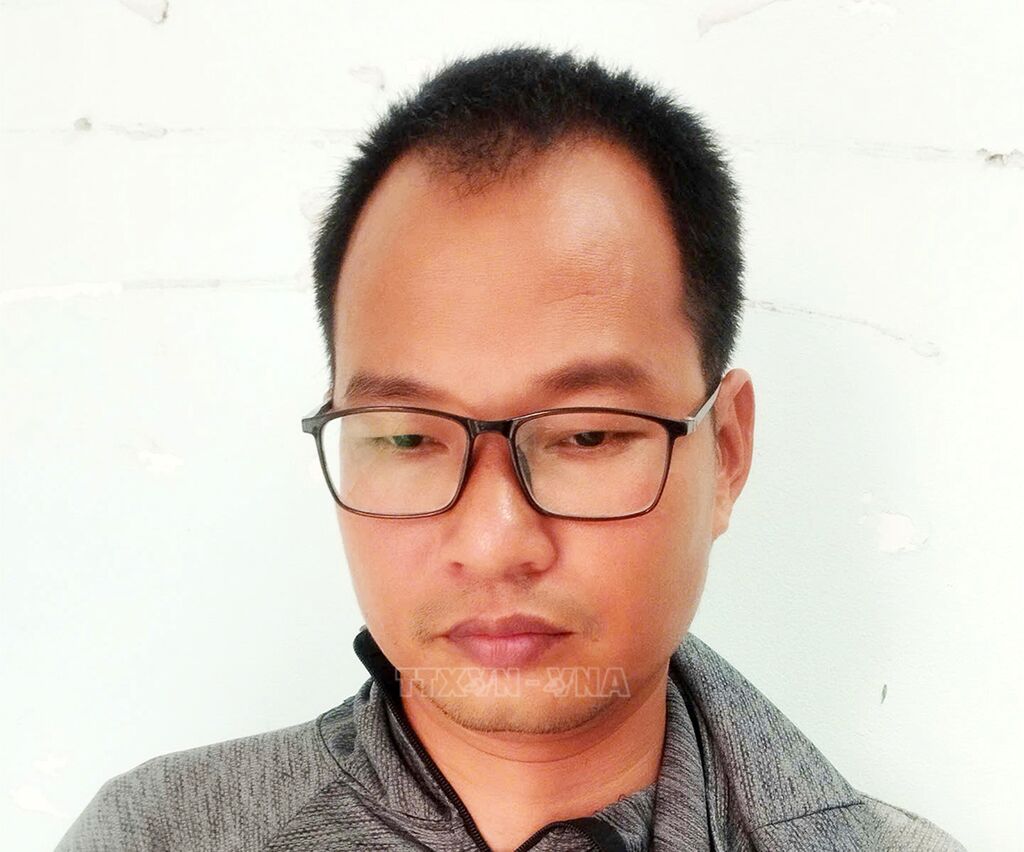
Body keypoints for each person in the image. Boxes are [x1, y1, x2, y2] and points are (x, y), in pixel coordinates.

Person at [56, 46, 963, 852]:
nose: (493, 542)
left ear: (725, 452)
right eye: (407, 436)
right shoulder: (154, 835)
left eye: (587, 434)